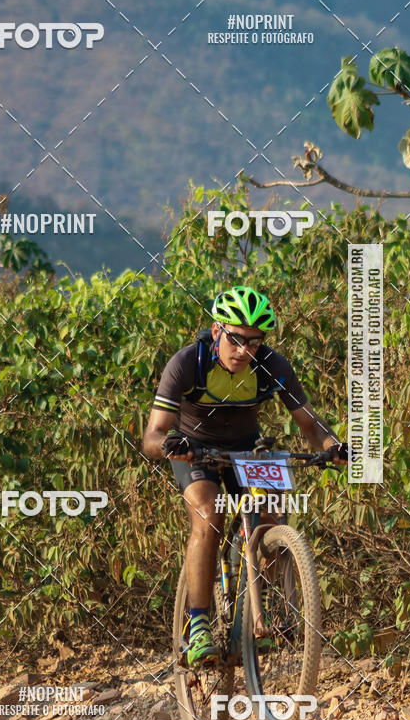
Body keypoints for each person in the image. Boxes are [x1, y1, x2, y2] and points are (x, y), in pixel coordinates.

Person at [141, 285, 348, 669]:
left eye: (254, 342)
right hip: (195, 450)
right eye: (236, 339)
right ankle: (199, 623)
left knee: (271, 512)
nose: (244, 351)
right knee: (209, 514)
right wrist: (170, 445)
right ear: (217, 330)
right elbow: (150, 436)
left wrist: (334, 445)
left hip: (245, 450)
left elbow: (309, 423)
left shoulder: (272, 364)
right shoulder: (187, 363)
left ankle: (260, 606)